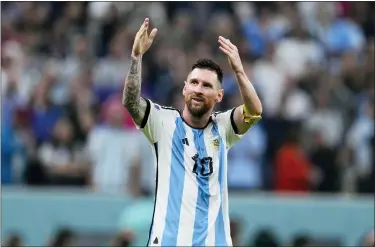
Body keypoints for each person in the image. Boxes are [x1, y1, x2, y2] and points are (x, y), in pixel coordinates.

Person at [122, 18, 262, 246]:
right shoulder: (162, 121)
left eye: (207, 86)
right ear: (185, 87)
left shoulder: (223, 127)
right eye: (194, 83)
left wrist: (238, 71)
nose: (198, 89)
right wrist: (136, 58)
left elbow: (254, 111)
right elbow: (130, 102)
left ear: (219, 96)